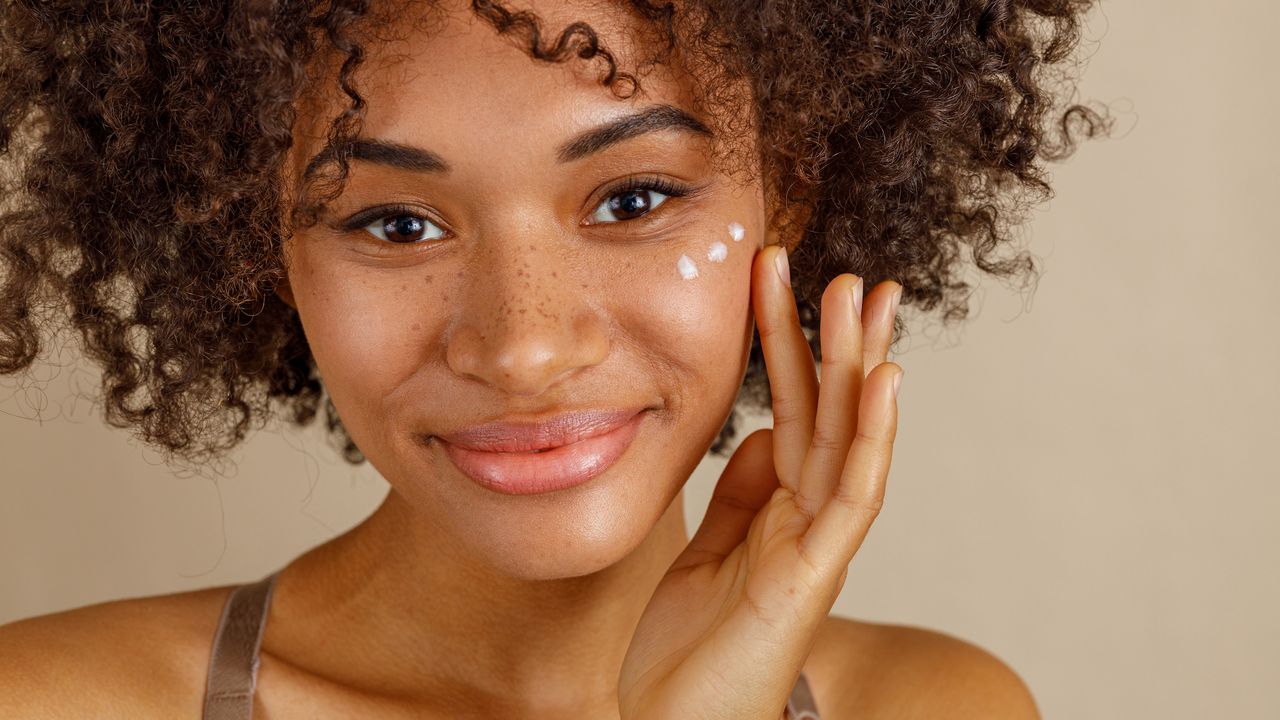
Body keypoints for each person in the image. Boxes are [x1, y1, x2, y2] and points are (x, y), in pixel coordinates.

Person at [0, 0, 1105, 717]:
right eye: (393, 224)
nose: (522, 348)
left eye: (632, 199)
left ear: (793, 194)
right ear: (256, 250)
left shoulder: (936, 706)